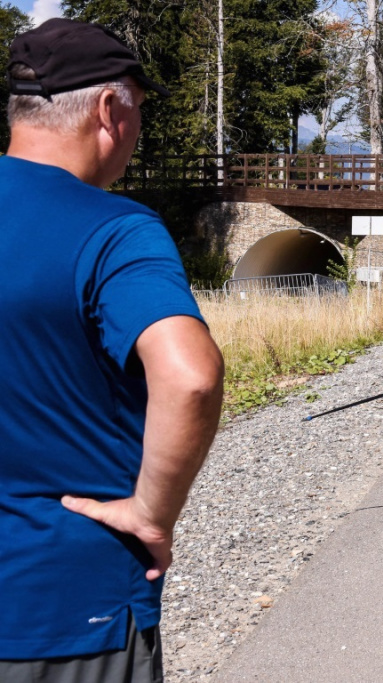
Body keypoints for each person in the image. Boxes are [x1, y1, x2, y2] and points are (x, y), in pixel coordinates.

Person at [0, 18, 224, 682]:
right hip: (67, 605)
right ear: (109, 109)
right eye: (138, 108)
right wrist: (153, 513)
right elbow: (190, 377)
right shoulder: (116, 230)